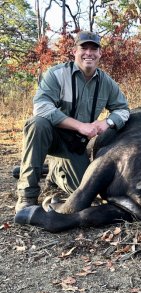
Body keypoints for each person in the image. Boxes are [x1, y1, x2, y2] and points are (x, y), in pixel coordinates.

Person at [15, 31, 130, 213]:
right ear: (74, 51)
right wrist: (80, 126)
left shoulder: (107, 83)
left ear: (100, 53)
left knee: (88, 194)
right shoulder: (57, 74)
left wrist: (107, 122)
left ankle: (53, 173)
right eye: (84, 48)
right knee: (37, 123)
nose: (89, 53)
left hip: (75, 145)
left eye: (94, 49)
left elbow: (123, 110)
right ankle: (27, 196)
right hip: (51, 136)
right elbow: (41, 107)